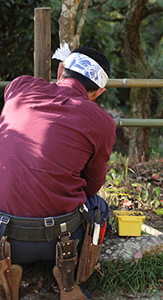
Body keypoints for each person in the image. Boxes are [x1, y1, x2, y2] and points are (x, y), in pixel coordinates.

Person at [0, 44, 116, 299]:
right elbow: (92, 186)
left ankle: (6, 269)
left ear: (61, 68)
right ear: (98, 92)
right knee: (100, 207)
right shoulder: (102, 122)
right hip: (60, 239)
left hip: (3, 231)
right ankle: (68, 279)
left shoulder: (19, 87)